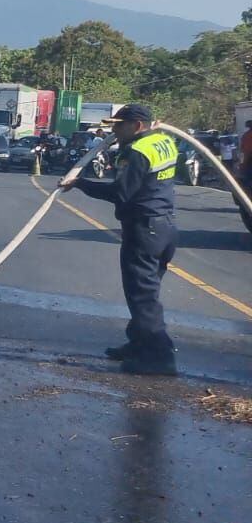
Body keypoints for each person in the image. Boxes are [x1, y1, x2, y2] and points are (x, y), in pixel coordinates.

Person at [59, 104, 179, 376]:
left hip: (144, 229)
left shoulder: (136, 152)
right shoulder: (164, 141)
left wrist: (79, 183)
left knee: (142, 296)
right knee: (147, 291)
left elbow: (120, 193)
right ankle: (139, 343)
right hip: (166, 227)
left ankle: (160, 357)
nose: (113, 130)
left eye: (119, 125)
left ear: (136, 126)